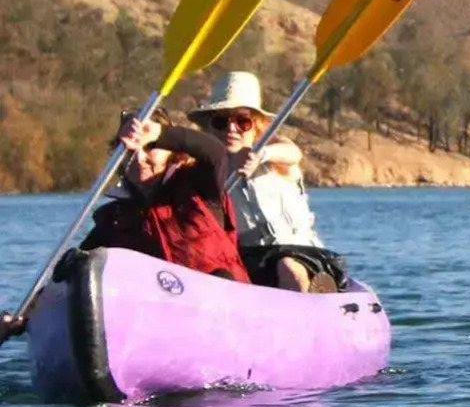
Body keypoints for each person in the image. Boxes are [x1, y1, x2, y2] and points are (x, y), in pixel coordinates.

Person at [190, 72, 344, 293]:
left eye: (242, 121)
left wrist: (261, 155)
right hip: (248, 257)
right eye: (221, 121)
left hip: (298, 251)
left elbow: (293, 153)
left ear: (256, 125)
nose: (231, 129)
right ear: (210, 127)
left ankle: (311, 299)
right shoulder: (205, 169)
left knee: (287, 267)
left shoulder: (275, 153)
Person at [78, 111, 250, 282]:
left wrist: (157, 133)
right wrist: (72, 263)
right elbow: (82, 259)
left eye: (150, 148)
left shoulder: (199, 186)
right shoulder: (114, 218)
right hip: (163, 304)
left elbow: (216, 154)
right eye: (130, 153)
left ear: (171, 151)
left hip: (224, 298)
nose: (139, 159)